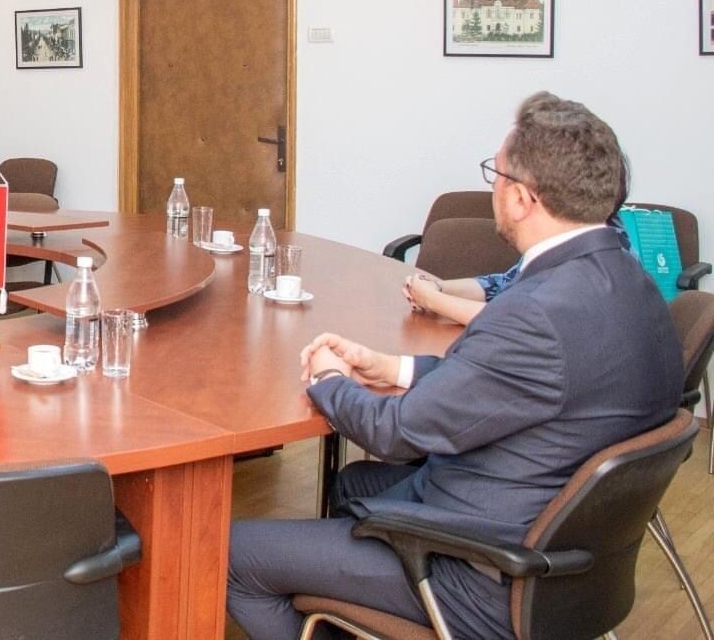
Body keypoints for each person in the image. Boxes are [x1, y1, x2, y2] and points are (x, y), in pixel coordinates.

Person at [227, 92, 681, 640]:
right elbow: (514, 384)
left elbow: (396, 433)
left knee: (233, 557)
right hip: (568, 556)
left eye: (497, 174)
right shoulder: (630, 284)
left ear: (522, 198)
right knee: (354, 486)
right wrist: (393, 368)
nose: (494, 188)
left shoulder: (534, 313)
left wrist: (328, 378)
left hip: (482, 571)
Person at [402, 167, 632, 326]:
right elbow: (504, 284)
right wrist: (439, 288)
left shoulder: (600, 258)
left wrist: (435, 300)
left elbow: (516, 322)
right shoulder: (562, 238)